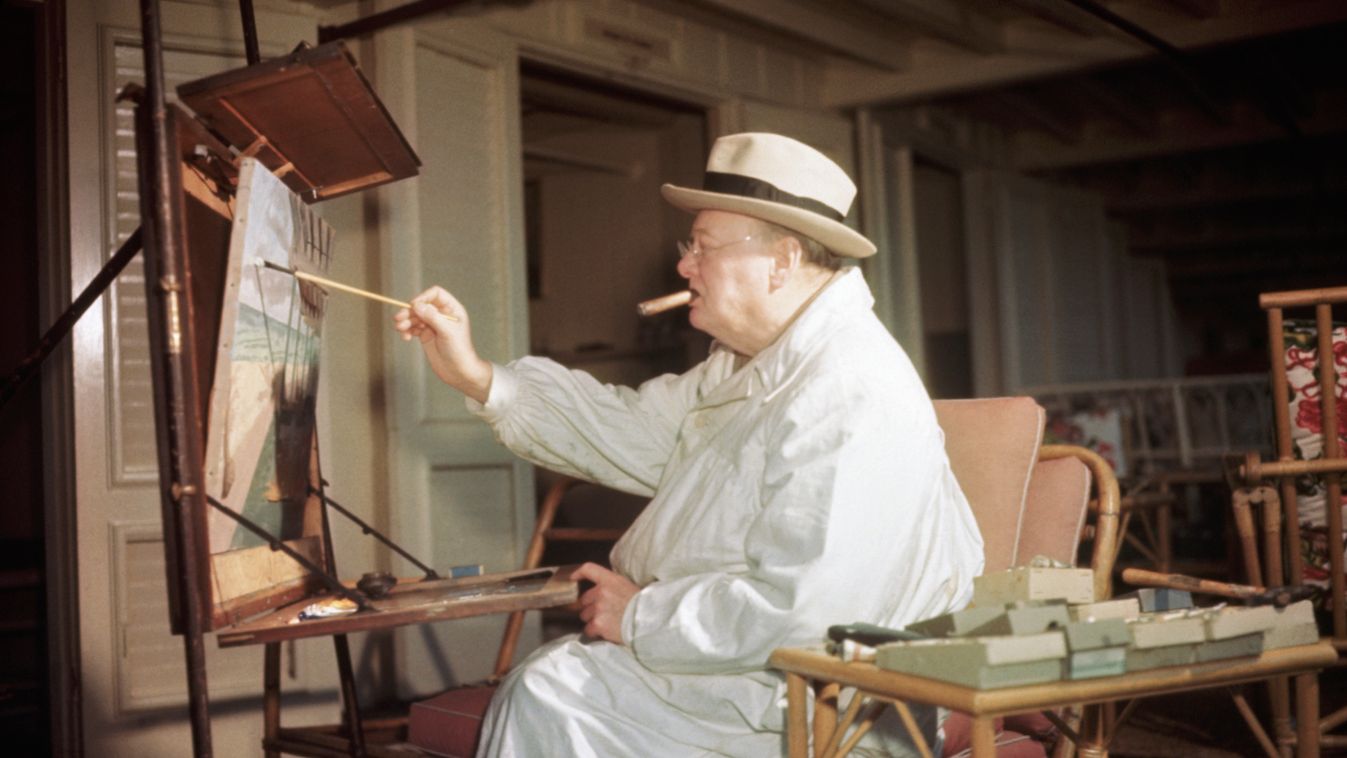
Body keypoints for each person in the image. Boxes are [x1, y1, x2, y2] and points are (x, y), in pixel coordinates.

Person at [393, 132, 984, 756]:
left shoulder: (849, 390)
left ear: (780, 261)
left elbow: (807, 610)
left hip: (827, 709)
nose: (683, 266)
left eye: (702, 247)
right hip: (750, 674)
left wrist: (643, 616)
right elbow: (628, 428)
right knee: (552, 682)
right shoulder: (750, 366)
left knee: (553, 694)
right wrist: (478, 376)